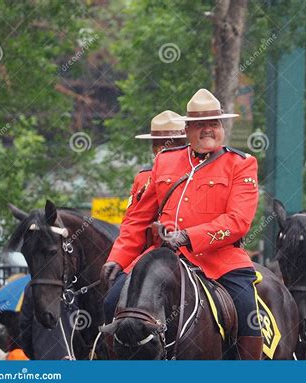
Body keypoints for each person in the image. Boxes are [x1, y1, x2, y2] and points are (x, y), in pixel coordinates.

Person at [101, 89, 263, 359]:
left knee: (247, 310)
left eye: (214, 123)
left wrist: (188, 236)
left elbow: (238, 221)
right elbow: (137, 219)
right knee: (111, 302)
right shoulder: (165, 160)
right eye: (200, 125)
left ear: (222, 126)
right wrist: (117, 258)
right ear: (187, 129)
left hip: (220, 260)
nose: (208, 130)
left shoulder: (241, 164)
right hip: (162, 260)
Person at [102, 110, 186, 323]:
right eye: (156, 145)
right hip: (153, 255)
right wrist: (117, 259)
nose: (161, 151)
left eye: (169, 145)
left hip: (199, 254)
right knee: (112, 301)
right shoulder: (145, 178)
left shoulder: (200, 171)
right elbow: (134, 225)